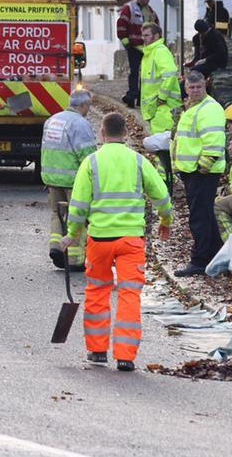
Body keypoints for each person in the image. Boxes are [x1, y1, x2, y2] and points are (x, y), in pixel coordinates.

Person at [59, 112, 173, 372]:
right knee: (129, 294)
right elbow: (162, 196)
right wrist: (167, 220)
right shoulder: (139, 162)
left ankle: (97, 351)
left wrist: (72, 233)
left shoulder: (91, 163)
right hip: (131, 241)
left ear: (102, 133)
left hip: (99, 240)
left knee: (98, 292)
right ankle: (125, 356)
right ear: (126, 134)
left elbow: (78, 204)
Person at [171, 70, 227, 276]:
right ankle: (215, 255)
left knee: (199, 217)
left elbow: (213, 142)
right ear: (185, 89)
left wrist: (203, 166)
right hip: (194, 171)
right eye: (191, 87)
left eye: (198, 87)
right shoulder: (194, 108)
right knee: (205, 216)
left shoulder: (209, 108)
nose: (194, 90)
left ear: (205, 86)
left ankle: (199, 261)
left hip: (202, 172)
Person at [41, 88, 97, 269]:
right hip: (73, 181)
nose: (88, 110)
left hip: (51, 178)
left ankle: (56, 247)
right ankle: (74, 259)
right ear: (83, 105)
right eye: (88, 106)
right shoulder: (80, 124)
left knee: (56, 214)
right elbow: (88, 155)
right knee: (77, 217)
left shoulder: (53, 120)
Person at [137, 23, 180, 182]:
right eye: (143, 35)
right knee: (160, 147)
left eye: (147, 35)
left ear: (156, 36)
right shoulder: (149, 53)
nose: (144, 39)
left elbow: (169, 75)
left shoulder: (160, 52)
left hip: (164, 108)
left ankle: (164, 182)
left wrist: (161, 98)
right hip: (156, 109)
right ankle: (163, 181)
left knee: (163, 148)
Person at [116, 0, 159, 108]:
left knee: (145, 74)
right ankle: (132, 96)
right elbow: (121, 24)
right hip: (134, 46)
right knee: (134, 72)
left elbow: (156, 26)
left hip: (147, 48)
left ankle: (140, 97)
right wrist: (126, 42)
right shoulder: (129, 8)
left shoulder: (149, 11)